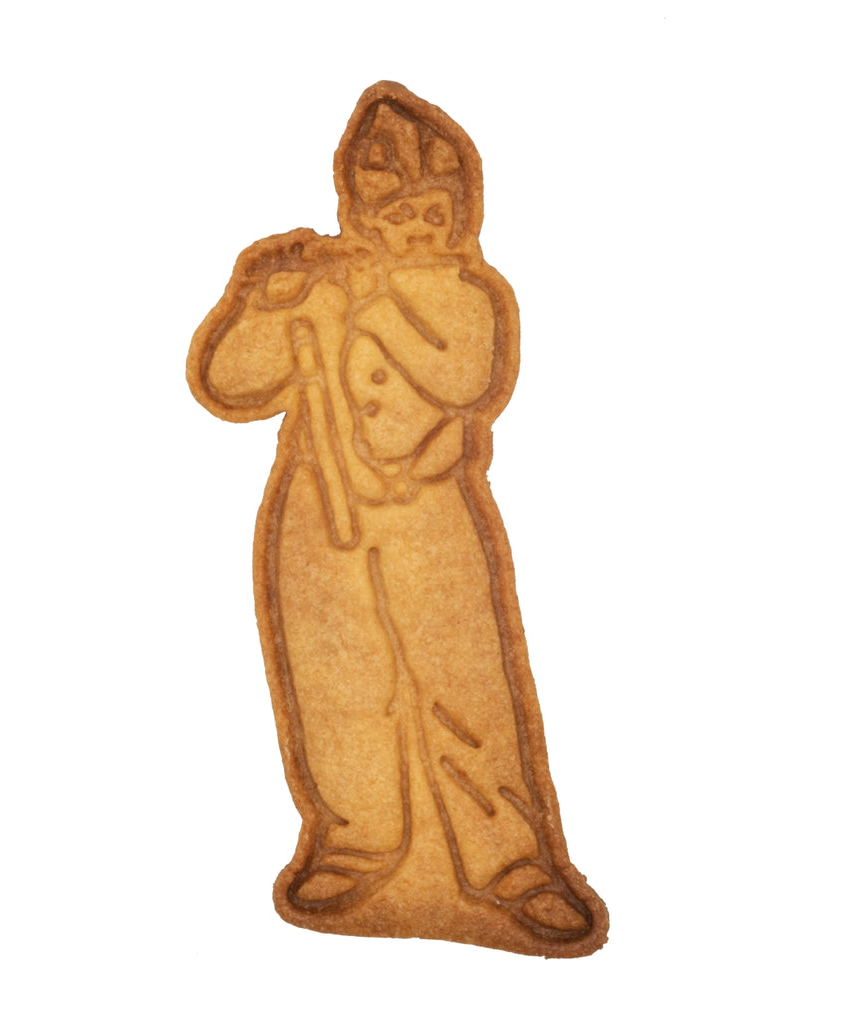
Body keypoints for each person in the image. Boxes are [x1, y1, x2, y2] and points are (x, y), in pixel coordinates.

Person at [187, 82, 606, 952]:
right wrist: (266, 299)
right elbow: (229, 382)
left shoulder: (468, 294)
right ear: (362, 213)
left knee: (464, 682)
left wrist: (370, 300)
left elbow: (460, 378)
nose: (416, 231)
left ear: (460, 215)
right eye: (397, 215)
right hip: (320, 514)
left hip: (429, 512)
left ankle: (512, 864)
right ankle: (356, 839)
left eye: (433, 213)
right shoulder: (316, 288)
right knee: (337, 682)